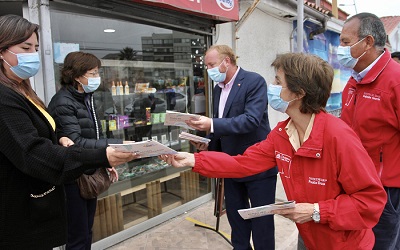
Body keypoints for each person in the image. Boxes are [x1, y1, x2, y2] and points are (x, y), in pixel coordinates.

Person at [161, 52, 387, 250]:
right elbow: (243, 164)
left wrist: (317, 211)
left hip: (345, 244)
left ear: (298, 93)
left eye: (278, 81)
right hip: (308, 238)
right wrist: (193, 159)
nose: (272, 86)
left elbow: (371, 202)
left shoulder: (339, 137)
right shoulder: (282, 133)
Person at [0, 15, 138, 250]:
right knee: (78, 237)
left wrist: (58, 139)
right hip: (21, 209)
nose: (33, 55)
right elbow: (32, 153)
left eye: (35, 48)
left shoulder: (23, 90)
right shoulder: (5, 98)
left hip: (46, 195)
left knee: (84, 233)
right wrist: (103, 154)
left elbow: (41, 136)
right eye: (25, 48)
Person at [186, 45, 277, 250]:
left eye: (211, 64)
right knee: (236, 219)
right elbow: (222, 122)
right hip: (230, 165)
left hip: (257, 166)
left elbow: (250, 120)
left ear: (226, 61)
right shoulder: (219, 89)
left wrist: (211, 123)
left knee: (262, 223)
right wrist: (208, 143)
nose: (208, 70)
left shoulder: (254, 81)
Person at [47, 51, 128, 250]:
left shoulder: (86, 98)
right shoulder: (63, 102)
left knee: (87, 231)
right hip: (73, 177)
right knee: (78, 235)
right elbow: (76, 142)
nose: (96, 78)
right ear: (76, 76)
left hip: (88, 170)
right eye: (92, 73)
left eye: (97, 72)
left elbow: (93, 137)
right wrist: (113, 147)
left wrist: (102, 162)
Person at [338, 12, 400, 250]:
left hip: (384, 192)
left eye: (345, 41)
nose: (340, 48)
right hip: (353, 185)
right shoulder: (353, 80)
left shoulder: (395, 80)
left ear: (368, 42)